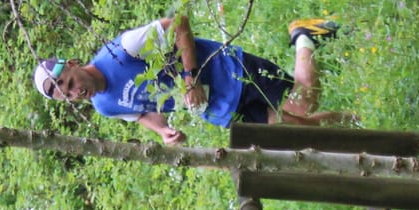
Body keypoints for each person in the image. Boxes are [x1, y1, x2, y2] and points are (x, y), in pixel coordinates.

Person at [34, 16, 352, 144]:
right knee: (292, 132)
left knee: (303, 105)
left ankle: (304, 37)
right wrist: (163, 131)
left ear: (73, 64)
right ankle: (358, 124)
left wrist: (190, 79)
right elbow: (140, 113)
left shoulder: (123, 51)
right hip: (219, 109)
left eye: (69, 83)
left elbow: (179, 24)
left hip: (229, 70)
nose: (75, 92)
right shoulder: (104, 106)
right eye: (67, 96)